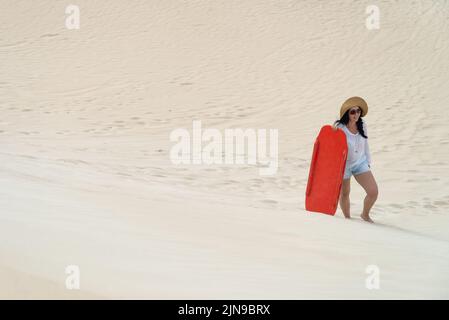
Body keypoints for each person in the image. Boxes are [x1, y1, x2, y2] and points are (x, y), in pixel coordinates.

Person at [333, 97, 378, 223]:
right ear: (347, 113)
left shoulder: (362, 124)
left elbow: (366, 143)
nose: (356, 114)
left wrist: (368, 162)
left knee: (373, 191)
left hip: (360, 163)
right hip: (344, 166)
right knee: (345, 193)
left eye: (358, 111)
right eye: (352, 112)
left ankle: (365, 214)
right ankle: (347, 219)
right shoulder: (340, 128)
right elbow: (330, 146)